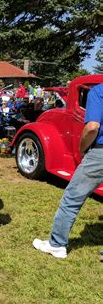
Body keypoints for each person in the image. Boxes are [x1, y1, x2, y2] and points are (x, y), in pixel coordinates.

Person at [33, 83, 103, 259]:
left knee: (72, 197)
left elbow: (92, 127)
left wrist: (82, 148)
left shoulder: (99, 91)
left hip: (100, 151)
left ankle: (57, 244)